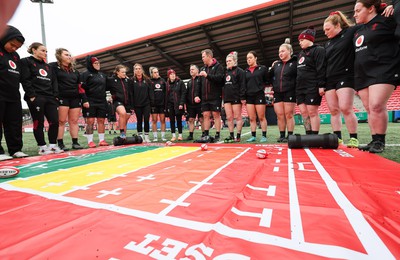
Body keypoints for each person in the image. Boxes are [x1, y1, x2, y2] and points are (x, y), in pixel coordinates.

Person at [353, 0, 400, 153]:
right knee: (369, 108)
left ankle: (380, 140)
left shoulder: (386, 20)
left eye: (358, 10)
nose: (355, 14)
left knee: (376, 105)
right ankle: (374, 139)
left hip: (383, 68)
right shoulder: (359, 30)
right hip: (363, 73)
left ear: (371, 8)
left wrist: (395, 5)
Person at [323, 11, 360, 148]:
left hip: (345, 76)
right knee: (333, 110)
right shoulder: (327, 44)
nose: (325, 32)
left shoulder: (350, 32)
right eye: (324, 30)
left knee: (345, 108)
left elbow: (366, 23)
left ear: (338, 25)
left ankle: (353, 138)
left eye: (328, 29)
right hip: (329, 80)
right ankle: (337, 138)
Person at [20, 42, 63, 155]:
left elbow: (54, 82)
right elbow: (25, 79)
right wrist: (32, 96)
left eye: (46, 51)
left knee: (54, 121)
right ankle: (42, 147)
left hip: (50, 98)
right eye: (42, 50)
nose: (45, 53)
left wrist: (55, 97)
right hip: (36, 97)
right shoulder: (26, 61)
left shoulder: (48, 67)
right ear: (34, 50)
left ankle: (53, 146)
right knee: (38, 122)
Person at [0, 25, 28, 160]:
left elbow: (21, 76)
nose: (14, 48)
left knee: (14, 123)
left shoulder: (15, 56)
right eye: (12, 45)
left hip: (13, 95)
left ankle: (15, 149)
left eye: (17, 47)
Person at [50, 48, 84, 150]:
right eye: (66, 55)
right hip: (61, 97)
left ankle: (75, 142)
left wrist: (84, 99)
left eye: (69, 55)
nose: (69, 56)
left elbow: (80, 87)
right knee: (61, 121)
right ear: (59, 56)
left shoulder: (75, 71)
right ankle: (60, 143)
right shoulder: (53, 67)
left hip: (75, 98)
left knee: (74, 121)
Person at [296, 26, 326, 135]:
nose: (300, 43)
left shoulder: (319, 50)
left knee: (312, 112)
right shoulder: (300, 54)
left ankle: (315, 135)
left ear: (309, 39)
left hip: (312, 86)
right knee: (304, 113)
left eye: (302, 40)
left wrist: (321, 85)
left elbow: (321, 68)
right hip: (300, 88)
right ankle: (308, 134)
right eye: (299, 41)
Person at [268, 39, 297, 143]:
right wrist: (271, 68)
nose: (280, 53)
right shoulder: (276, 65)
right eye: (279, 52)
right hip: (277, 92)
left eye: (283, 51)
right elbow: (268, 78)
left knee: (289, 114)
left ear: (290, 51)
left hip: (290, 91)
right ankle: (281, 135)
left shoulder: (295, 63)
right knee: (280, 115)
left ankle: (290, 135)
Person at [80, 55, 109, 148]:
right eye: (95, 63)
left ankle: (102, 140)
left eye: (98, 63)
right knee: (90, 121)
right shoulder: (85, 74)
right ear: (91, 64)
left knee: (101, 120)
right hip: (90, 101)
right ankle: (90, 141)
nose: (98, 64)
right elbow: (81, 88)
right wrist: (84, 100)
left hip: (102, 101)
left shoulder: (102, 75)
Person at [198, 49, 224, 142]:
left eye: (203, 57)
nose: (202, 59)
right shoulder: (202, 69)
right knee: (205, 115)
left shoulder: (218, 67)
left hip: (215, 96)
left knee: (216, 115)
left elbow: (220, 79)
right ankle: (206, 134)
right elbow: (199, 84)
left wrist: (207, 75)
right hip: (205, 97)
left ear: (209, 56)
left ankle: (217, 134)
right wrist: (197, 95)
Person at [244, 51, 268, 142]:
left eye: (250, 57)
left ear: (255, 58)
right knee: (251, 118)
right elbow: (244, 84)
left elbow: (267, 79)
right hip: (249, 96)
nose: (248, 60)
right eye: (247, 58)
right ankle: (253, 136)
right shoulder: (245, 71)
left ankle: (264, 135)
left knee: (261, 117)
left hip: (259, 95)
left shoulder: (262, 68)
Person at [222, 51, 245, 143]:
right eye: (227, 61)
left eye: (230, 61)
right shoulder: (225, 72)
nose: (228, 62)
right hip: (227, 98)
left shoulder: (240, 71)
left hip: (236, 97)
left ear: (235, 61)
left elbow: (242, 85)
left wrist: (242, 97)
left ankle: (238, 136)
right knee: (229, 118)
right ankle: (231, 135)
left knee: (238, 117)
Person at [106, 64, 132, 139]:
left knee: (125, 120)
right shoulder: (111, 80)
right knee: (122, 113)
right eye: (122, 72)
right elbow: (103, 86)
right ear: (117, 72)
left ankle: (124, 137)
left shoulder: (127, 80)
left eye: (125, 72)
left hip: (127, 102)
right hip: (117, 101)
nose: (124, 74)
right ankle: (122, 132)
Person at [131, 63, 154, 143]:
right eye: (136, 69)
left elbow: (151, 92)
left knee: (147, 120)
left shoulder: (147, 80)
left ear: (142, 70)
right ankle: (140, 137)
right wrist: (132, 105)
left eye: (139, 68)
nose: (138, 70)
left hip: (146, 104)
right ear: (134, 71)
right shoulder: (131, 81)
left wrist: (152, 103)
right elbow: (131, 93)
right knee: (139, 120)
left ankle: (147, 137)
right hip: (137, 104)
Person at [166, 69, 186, 141]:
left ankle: (180, 135)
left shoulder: (180, 82)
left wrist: (181, 103)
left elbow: (184, 93)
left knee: (179, 120)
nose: (173, 75)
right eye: (171, 74)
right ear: (168, 76)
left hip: (178, 104)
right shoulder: (167, 84)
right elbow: (166, 96)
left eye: (174, 74)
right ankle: (173, 135)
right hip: (170, 104)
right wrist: (167, 106)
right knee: (172, 120)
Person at [185, 64, 203, 140]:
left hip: (200, 104)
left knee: (201, 119)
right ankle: (191, 135)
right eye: (190, 69)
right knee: (191, 119)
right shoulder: (189, 82)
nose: (191, 71)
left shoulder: (201, 79)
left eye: (192, 69)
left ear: (197, 70)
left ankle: (204, 134)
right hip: (190, 105)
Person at [149, 66, 167, 142]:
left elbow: (166, 92)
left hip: (162, 104)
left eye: (157, 72)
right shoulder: (149, 81)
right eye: (155, 72)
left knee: (163, 120)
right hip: (154, 104)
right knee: (154, 120)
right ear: (151, 74)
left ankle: (163, 136)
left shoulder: (163, 81)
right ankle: (155, 137)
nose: (157, 73)